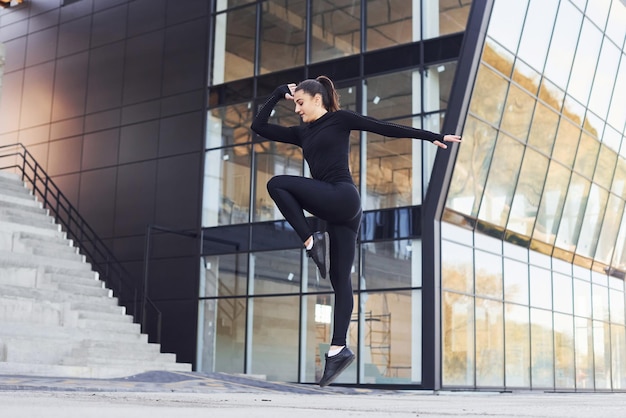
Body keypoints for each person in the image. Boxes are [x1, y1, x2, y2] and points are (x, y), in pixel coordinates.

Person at [251, 75, 461, 387]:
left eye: (299, 102)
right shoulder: (301, 133)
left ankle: (310, 240)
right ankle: (339, 348)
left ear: (317, 99)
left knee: (277, 183)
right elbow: (259, 127)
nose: (296, 109)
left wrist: (432, 135)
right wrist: (279, 92)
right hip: (343, 214)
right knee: (339, 280)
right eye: (294, 103)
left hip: (342, 197)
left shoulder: (340, 120)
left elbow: (384, 127)